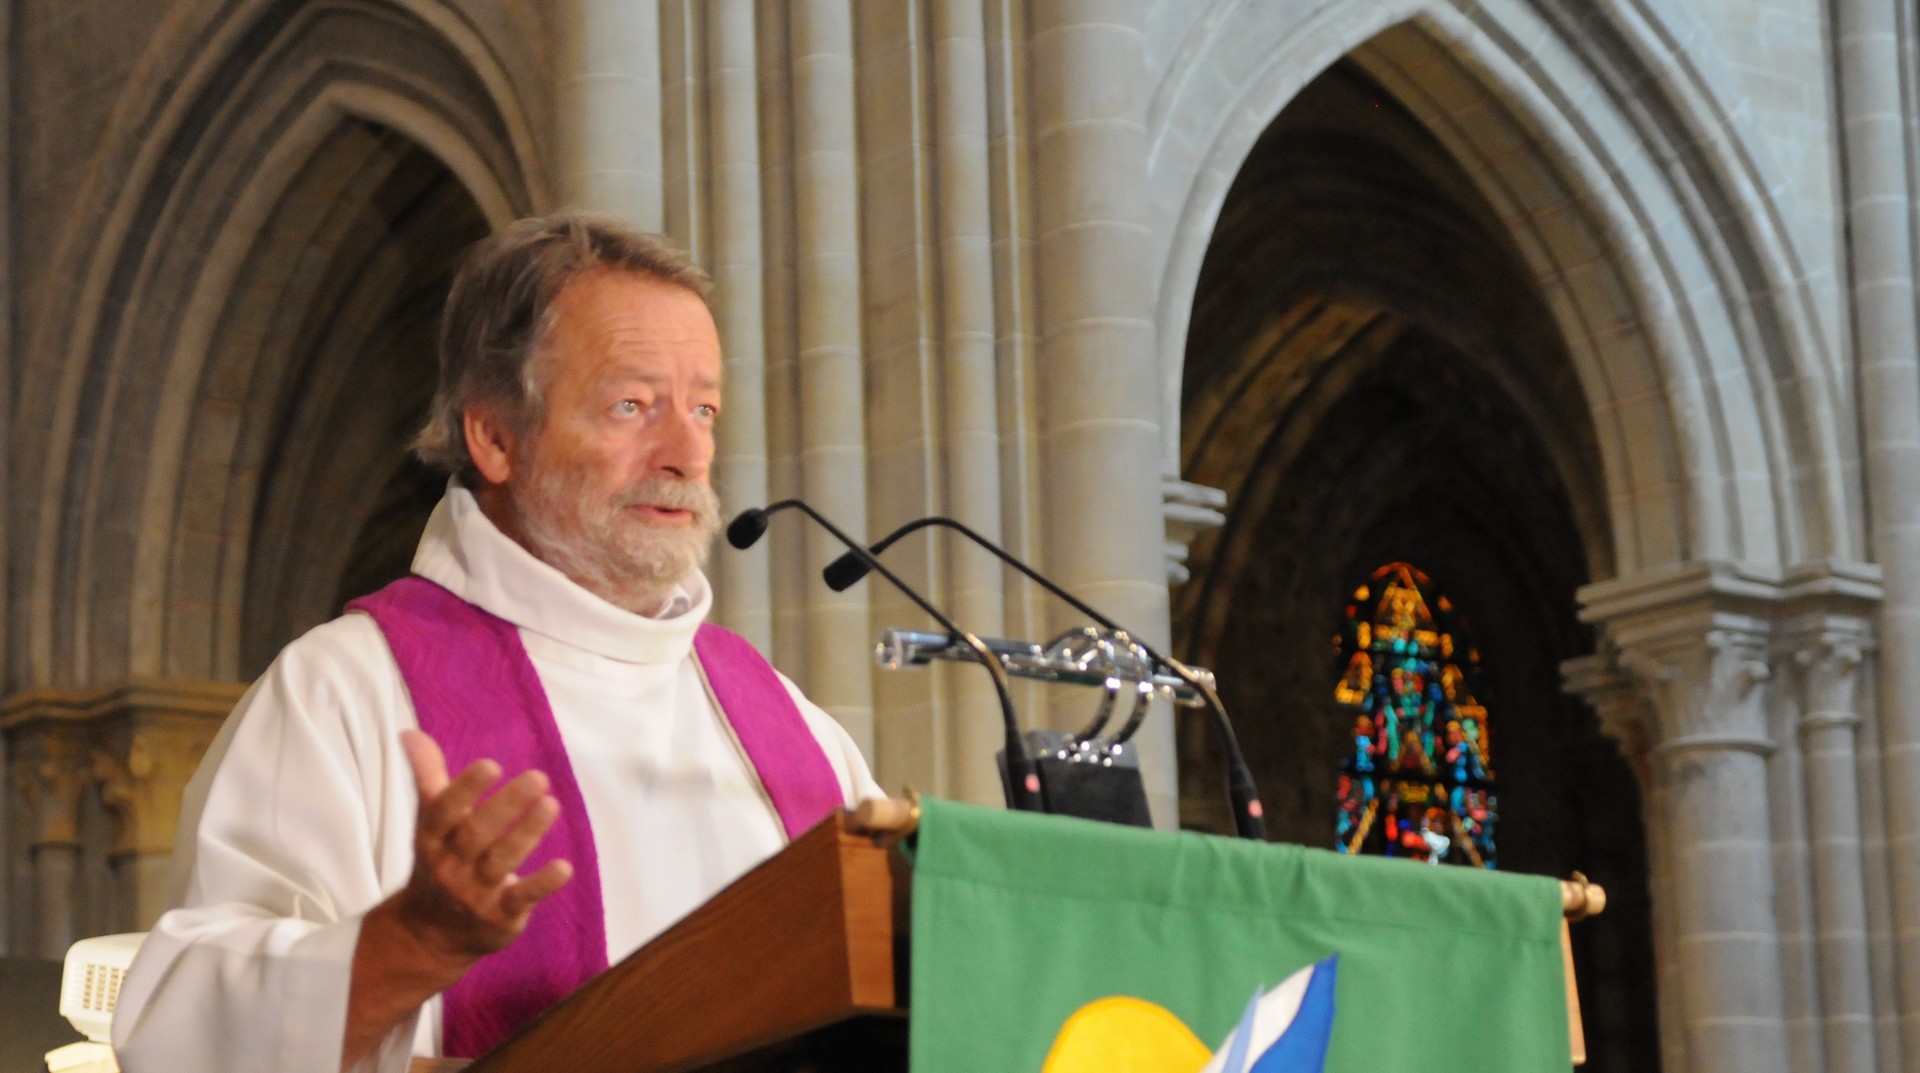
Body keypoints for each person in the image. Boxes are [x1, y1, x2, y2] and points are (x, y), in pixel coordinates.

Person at [109, 214, 883, 1072]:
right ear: (494, 436)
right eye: (632, 405)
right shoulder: (345, 691)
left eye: (703, 408)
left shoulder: (789, 725)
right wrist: (415, 942)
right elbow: (181, 1033)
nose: (687, 451)